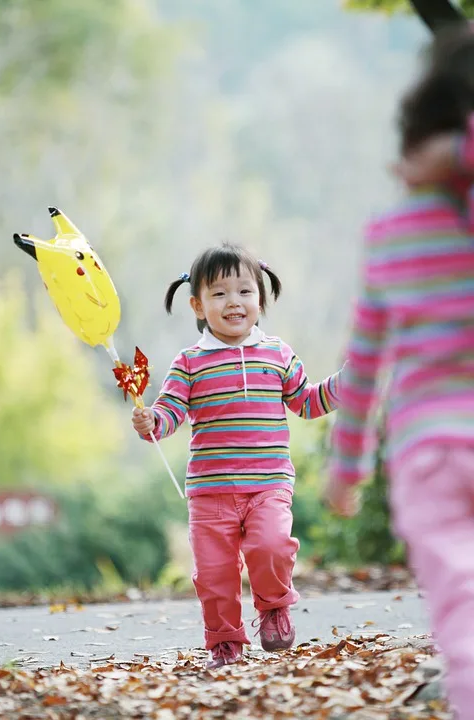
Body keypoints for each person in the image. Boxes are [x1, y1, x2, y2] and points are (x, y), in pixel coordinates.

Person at [326, 26, 474, 720]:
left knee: (463, 617)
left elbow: (364, 368)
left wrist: (346, 467)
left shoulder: (392, 234)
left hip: (426, 453)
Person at [132, 242, 343, 669]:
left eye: (245, 291)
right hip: (210, 492)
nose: (234, 302)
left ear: (260, 299)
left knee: (272, 546)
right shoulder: (190, 362)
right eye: (220, 293)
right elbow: (171, 412)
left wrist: (348, 381)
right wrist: (153, 420)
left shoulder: (278, 354)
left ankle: (273, 606)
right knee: (214, 576)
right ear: (197, 304)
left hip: (268, 484)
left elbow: (307, 402)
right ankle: (225, 641)